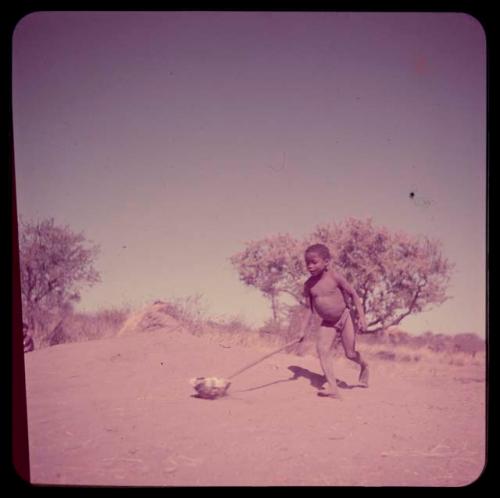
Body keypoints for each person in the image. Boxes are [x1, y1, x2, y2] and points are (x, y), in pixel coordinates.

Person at [297, 243, 369, 398]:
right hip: (328, 323)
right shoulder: (308, 285)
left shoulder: (334, 277)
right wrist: (302, 330)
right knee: (322, 350)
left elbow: (354, 295)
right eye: (307, 263)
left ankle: (364, 365)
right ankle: (333, 388)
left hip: (344, 317)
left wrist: (362, 317)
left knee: (350, 354)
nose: (310, 266)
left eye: (314, 262)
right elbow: (309, 309)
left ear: (326, 262)